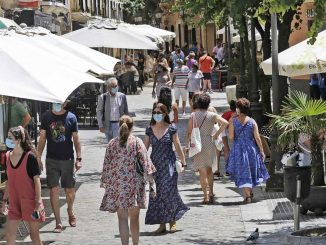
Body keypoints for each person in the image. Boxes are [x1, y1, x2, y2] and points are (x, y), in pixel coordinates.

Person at [100, 115, 156, 245]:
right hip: (134, 185)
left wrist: (106, 184)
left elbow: (106, 166)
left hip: (118, 184)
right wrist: (152, 183)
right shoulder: (137, 142)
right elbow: (146, 164)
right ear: (132, 127)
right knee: (134, 218)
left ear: (119, 126)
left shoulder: (112, 143)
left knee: (122, 218)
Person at [144, 103, 189, 234]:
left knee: (169, 191)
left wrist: (183, 161)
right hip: (155, 166)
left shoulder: (171, 128)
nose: (156, 114)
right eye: (155, 112)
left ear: (164, 114)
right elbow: (144, 149)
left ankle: (172, 221)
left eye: (159, 112)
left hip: (169, 165)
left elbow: (178, 145)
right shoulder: (149, 129)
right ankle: (162, 224)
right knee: (156, 194)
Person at [37, 101, 81, 233]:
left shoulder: (71, 117)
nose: (56, 104)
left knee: (69, 190)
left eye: (59, 102)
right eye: (54, 101)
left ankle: (70, 210)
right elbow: (42, 138)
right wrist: (38, 156)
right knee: (54, 189)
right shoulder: (46, 116)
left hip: (67, 158)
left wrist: (79, 158)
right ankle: (58, 221)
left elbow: (76, 139)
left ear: (65, 103)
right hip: (52, 158)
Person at [3, 126, 44, 244]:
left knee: (34, 236)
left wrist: (38, 202)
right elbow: (9, 181)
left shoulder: (30, 157)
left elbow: (37, 181)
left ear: (19, 140)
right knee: (10, 235)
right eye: (7, 137)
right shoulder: (7, 157)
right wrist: (5, 201)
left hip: (30, 202)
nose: (7, 140)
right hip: (14, 202)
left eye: (10, 138)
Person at [185, 94, 228, 204]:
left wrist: (186, 145)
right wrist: (216, 135)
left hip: (198, 143)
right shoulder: (212, 115)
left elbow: (189, 132)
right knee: (209, 170)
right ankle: (211, 192)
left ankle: (205, 196)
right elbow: (225, 123)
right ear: (208, 103)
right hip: (209, 142)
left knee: (201, 171)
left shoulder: (193, 115)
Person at [226, 98, 270, 203]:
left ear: (238, 109)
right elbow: (257, 138)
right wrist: (262, 150)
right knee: (250, 169)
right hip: (251, 149)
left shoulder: (233, 120)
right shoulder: (252, 121)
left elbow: (231, 137)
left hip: (238, 149)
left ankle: (247, 195)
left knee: (242, 171)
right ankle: (249, 192)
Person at [96, 78, 129, 143]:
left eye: (116, 86)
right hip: (107, 125)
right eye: (112, 86)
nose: (115, 88)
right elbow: (99, 112)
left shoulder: (122, 96)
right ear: (108, 87)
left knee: (117, 144)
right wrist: (100, 125)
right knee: (110, 144)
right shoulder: (103, 97)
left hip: (118, 124)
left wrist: (127, 124)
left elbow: (126, 111)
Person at [214, 100, 237, 176]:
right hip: (224, 132)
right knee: (226, 149)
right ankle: (228, 169)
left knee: (218, 150)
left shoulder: (227, 113)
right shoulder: (238, 115)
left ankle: (216, 169)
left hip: (221, 131)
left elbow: (219, 123)